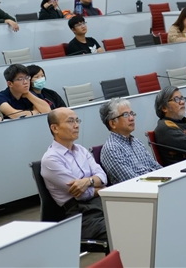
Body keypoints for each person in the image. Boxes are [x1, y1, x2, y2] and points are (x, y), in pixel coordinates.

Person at [41, 107, 108, 241]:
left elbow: (103, 177)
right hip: (81, 214)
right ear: (55, 128)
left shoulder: (81, 150)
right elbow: (80, 194)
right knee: (121, 230)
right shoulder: (51, 159)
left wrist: (87, 182)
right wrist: (100, 188)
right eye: (70, 121)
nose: (76, 125)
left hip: (100, 203)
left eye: (77, 121)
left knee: (137, 218)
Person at [99, 98, 161, 184]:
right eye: (125, 115)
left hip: (157, 184)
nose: (131, 118)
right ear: (113, 123)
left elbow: (155, 166)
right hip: (141, 189)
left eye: (131, 113)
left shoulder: (137, 142)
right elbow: (133, 181)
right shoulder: (111, 149)